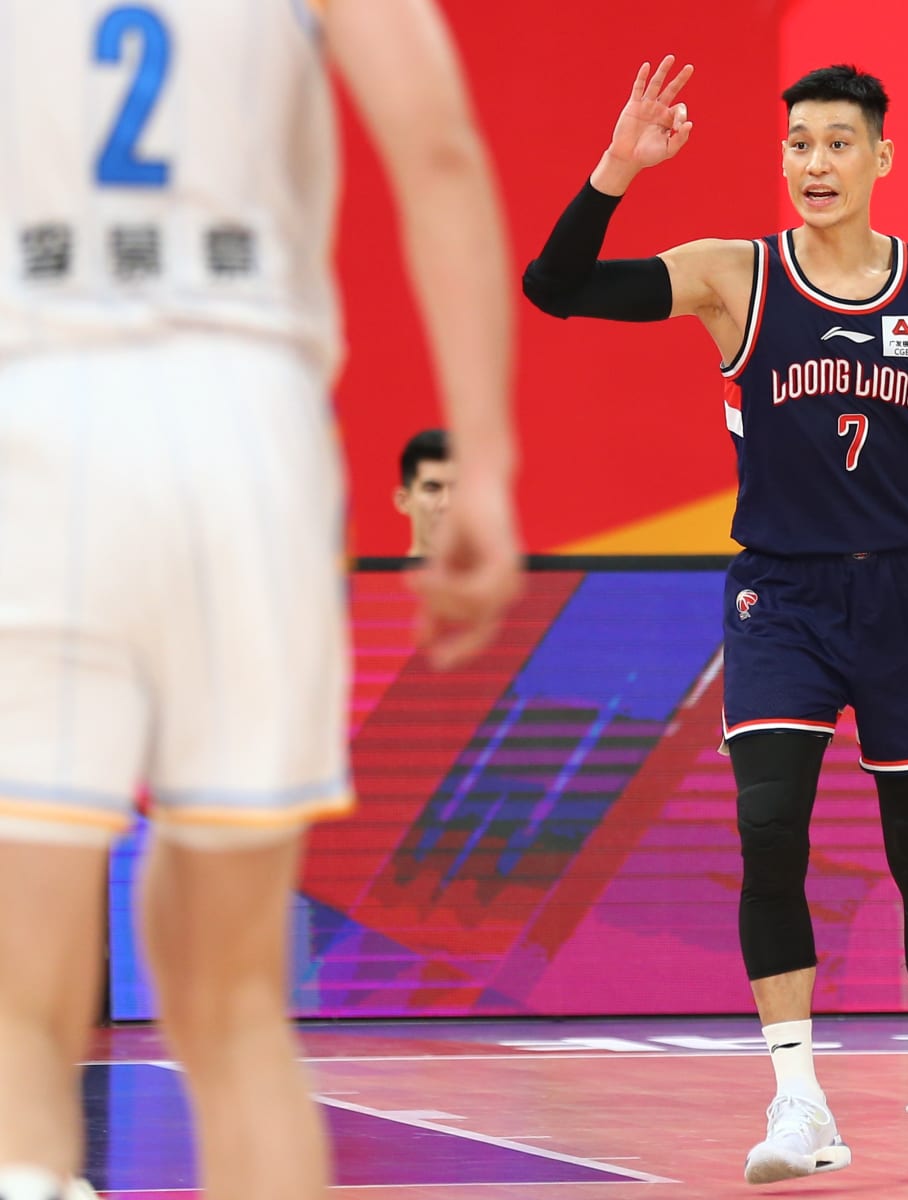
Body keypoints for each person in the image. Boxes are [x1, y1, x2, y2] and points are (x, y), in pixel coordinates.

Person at [0, 2, 521, 1198]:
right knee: (233, 1005)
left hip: (38, 416)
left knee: (22, 1016)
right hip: (248, 436)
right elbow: (436, 149)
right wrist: (483, 465)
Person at [522, 57, 908, 1187]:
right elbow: (555, 286)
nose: (815, 162)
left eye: (838, 142)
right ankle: (796, 1099)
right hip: (782, 597)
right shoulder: (734, 278)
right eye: (799, 142)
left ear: (882, 158)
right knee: (768, 831)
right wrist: (617, 168)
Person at [395, 429, 456, 557]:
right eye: (432, 488)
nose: (446, 504)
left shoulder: (506, 576)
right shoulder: (379, 576)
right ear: (404, 501)